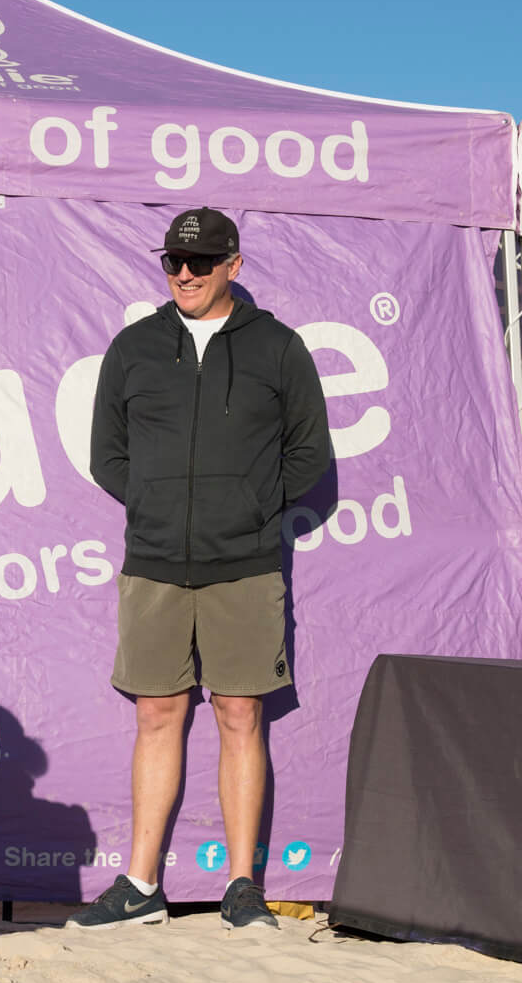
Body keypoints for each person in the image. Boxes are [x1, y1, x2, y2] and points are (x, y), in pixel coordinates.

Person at [70, 207, 331, 933]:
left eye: (201, 262)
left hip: (244, 564)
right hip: (153, 562)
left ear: (233, 267)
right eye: (173, 262)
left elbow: (310, 454)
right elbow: (106, 454)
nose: (184, 274)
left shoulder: (278, 348)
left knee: (241, 714)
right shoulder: (134, 347)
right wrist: (157, 505)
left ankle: (242, 884)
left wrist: (244, 506)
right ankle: (141, 882)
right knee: (157, 714)